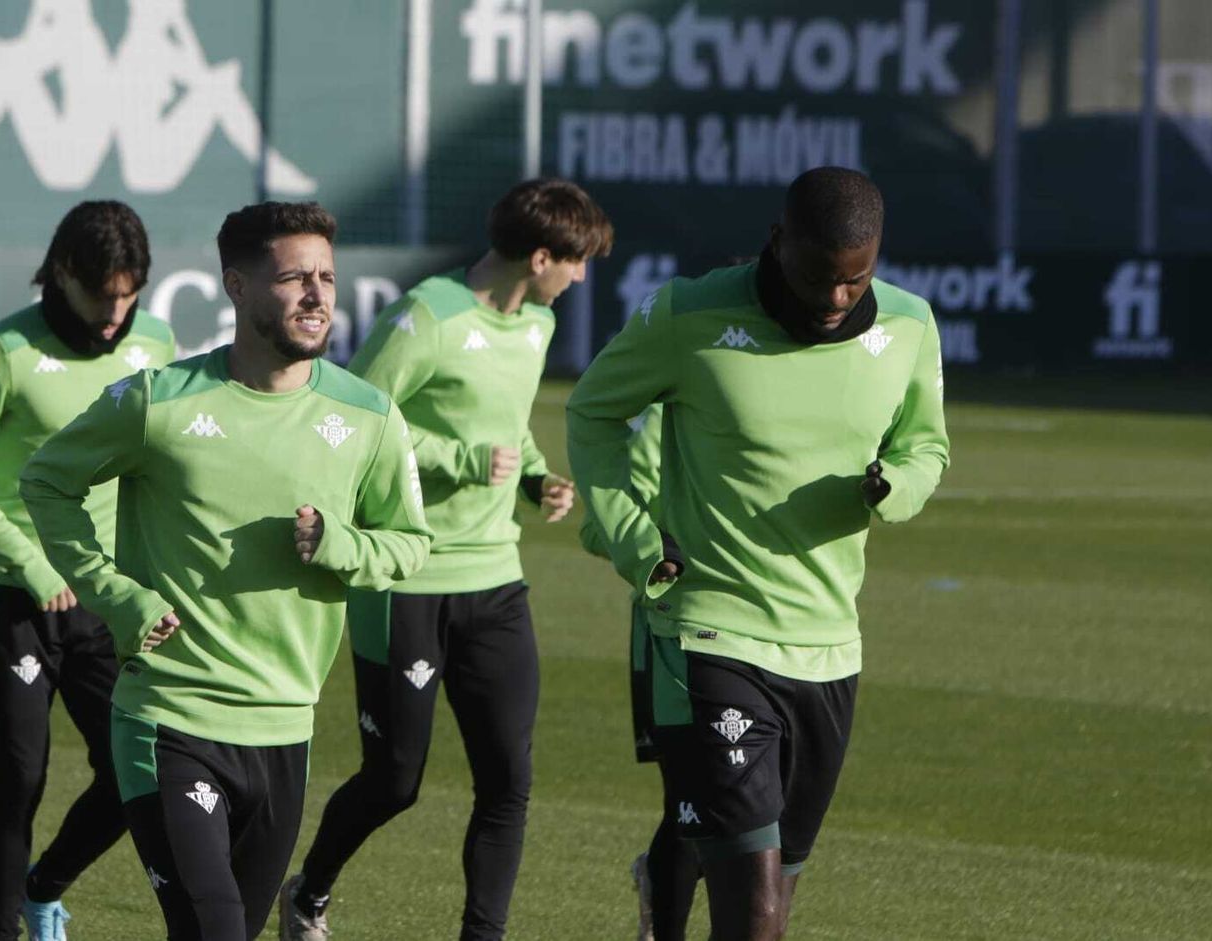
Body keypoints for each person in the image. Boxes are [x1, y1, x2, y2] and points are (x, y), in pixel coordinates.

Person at [19, 201, 431, 940]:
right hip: (169, 718)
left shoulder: (370, 416)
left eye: (327, 277)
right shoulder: (158, 401)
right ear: (237, 287)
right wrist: (115, 594)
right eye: (295, 278)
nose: (316, 295)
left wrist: (342, 545)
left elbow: (408, 544)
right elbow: (47, 481)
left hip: (286, 728)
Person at [566, 167, 950, 941]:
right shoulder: (688, 314)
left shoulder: (910, 325)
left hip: (829, 646)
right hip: (712, 633)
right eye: (819, 276)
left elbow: (926, 445)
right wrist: (634, 536)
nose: (835, 297)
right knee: (755, 914)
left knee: (777, 893)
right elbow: (593, 412)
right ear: (777, 242)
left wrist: (895, 486)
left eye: (855, 279)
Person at [281, 178, 612, 941]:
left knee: (508, 782)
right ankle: (308, 892)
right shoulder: (426, 315)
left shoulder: (535, 325)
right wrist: (462, 458)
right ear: (540, 257)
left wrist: (533, 476)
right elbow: (351, 414)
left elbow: (506, 423)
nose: (581, 277)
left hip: (496, 581)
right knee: (394, 780)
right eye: (577, 261)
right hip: (406, 579)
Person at [0, 200, 175, 941]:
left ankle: (44, 887)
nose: (115, 313)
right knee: (18, 780)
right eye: (102, 294)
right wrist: (28, 561)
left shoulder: (156, 344)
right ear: (62, 272)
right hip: (16, 598)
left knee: (134, 770)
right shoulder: (7, 350)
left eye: (129, 294)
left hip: (110, 597)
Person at [576, 403, 701, 941]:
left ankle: (658, 874)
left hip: (772, 630)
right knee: (693, 801)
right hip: (674, 630)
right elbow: (596, 526)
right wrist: (658, 551)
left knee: (755, 806)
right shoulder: (663, 418)